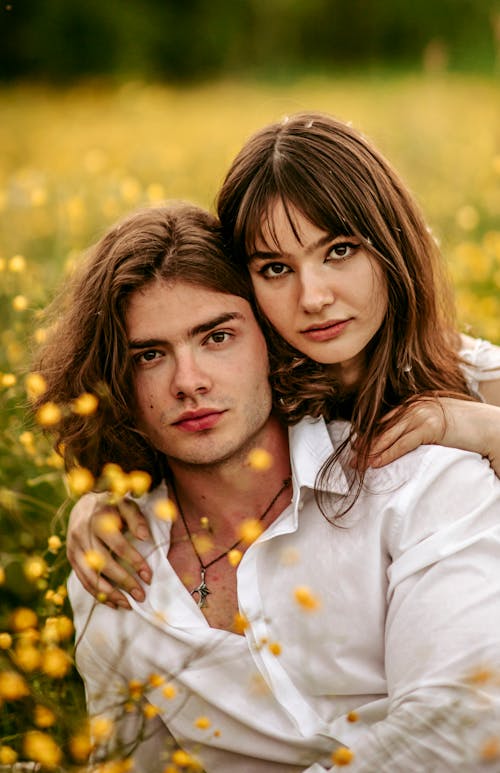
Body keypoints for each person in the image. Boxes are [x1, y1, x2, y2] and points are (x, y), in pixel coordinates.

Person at [34, 200, 500, 772]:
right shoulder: (112, 565)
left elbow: (461, 732)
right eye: (149, 355)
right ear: (111, 381)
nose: (189, 382)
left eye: (217, 337)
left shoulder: (420, 480)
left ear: (270, 336)